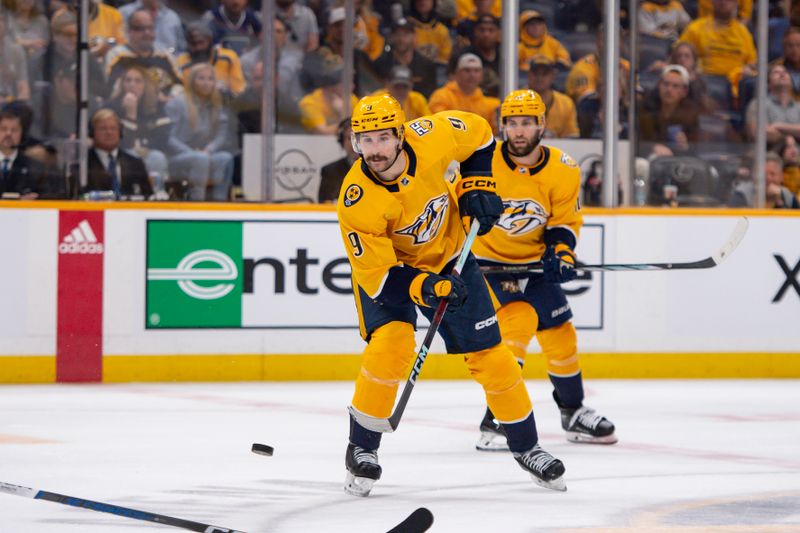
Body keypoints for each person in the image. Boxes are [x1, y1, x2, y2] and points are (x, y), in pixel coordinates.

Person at [337, 93, 567, 497]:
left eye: (382, 139)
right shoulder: (356, 200)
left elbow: (479, 135)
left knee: (491, 355)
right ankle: (362, 447)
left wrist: (478, 185)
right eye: (365, 141)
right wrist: (424, 286)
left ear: (400, 134)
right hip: (394, 272)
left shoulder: (433, 136)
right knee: (391, 346)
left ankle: (528, 446)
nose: (373, 150)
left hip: (451, 258)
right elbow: (379, 278)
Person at [470, 89, 616, 451]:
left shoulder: (563, 168)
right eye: (511, 123)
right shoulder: (482, 163)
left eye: (526, 123)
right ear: (501, 126)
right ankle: (499, 414)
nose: (518, 131)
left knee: (561, 333)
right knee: (516, 324)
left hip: (532, 265)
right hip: (486, 267)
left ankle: (573, 411)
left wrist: (561, 252)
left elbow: (564, 221)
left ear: (542, 125)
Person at [165, 63, 234, 201]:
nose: (206, 83)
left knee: (225, 158)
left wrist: (209, 150)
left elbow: (221, 135)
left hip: (204, 154)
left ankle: (219, 202)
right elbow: (169, 137)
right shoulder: (178, 103)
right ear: (192, 81)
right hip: (178, 157)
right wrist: (192, 153)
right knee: (200, 159)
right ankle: (197, 202)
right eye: (201, 78)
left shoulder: (216, 104)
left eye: (210, 79)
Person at [84, 108, 152, 198]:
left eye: (113, 128)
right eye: (103, 129)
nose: (109, 132)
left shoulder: (135, 164)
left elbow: (148, 197)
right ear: (92, 133)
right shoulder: (83, 164)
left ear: (120, 133)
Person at [428, 53, 500, 135]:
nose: (472, 75)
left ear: (481, 75)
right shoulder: (441, 96)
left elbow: (494, 133)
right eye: (467, 70)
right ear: (457, 73)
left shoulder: (491, 103)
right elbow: (437, 126)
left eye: (476, 71)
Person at [527, 55, 578, 138]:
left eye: (545, 74)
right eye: (536, 74)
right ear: (529, 75)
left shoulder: (566, 103)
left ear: (553, 76)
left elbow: (571, 136)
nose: (539, 78)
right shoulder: (517, 100)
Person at [0, 109, 42, 198]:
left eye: (14, 130)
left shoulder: (34, 167)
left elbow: (48, 195)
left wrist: (35, 198)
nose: (8, 134)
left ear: (22, 134)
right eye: (3, 129)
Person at [317, 118, 358, 203]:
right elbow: (324, 204)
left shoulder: (379, 169)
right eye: (350, 138)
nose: (354, 143)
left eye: (358, 137)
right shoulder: (330, 171)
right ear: (341, 141)